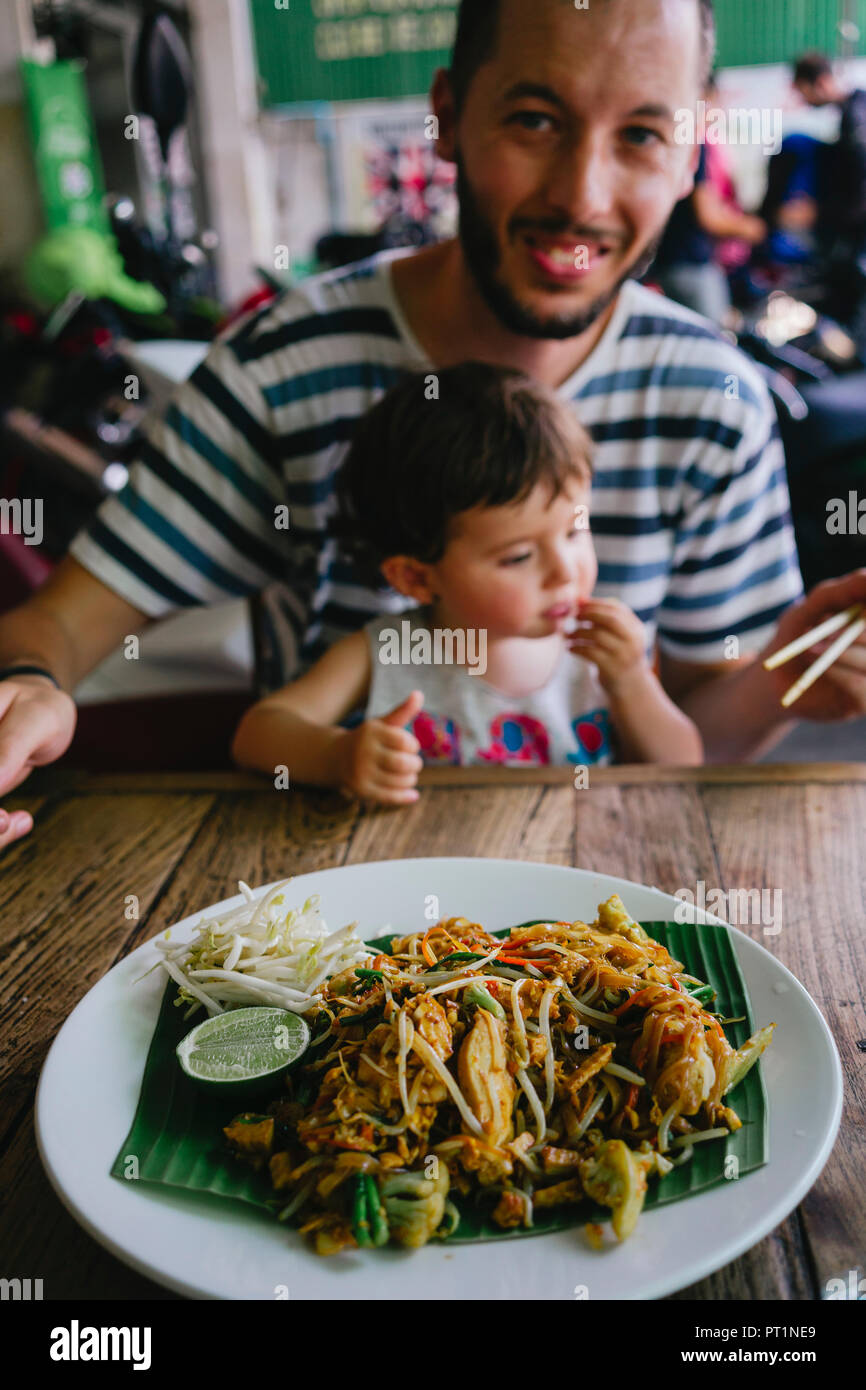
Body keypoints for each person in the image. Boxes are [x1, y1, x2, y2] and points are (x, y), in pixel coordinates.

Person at [2, 0, 866, 853]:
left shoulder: (715, 396)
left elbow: (680, 753)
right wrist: (28, 687)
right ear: (447, 118)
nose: (581, 196)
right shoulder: (283, 362)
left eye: (642, 134)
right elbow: (67, 623)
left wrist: (790, 676)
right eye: (534, 119)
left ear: (692, 152)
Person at [232, 364, 702, 802]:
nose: (565, 570)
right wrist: (338, 757)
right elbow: (259, 732)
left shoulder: (601, 650)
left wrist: (632, 682)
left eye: (574, 530)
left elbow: (681, 767)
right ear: (416, 577)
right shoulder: (388, 651)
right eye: (518, 556)